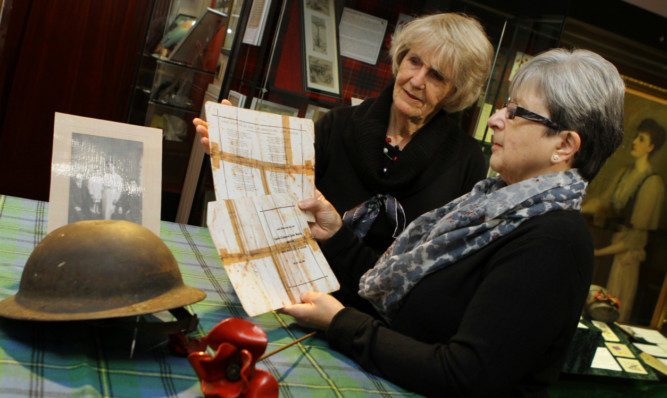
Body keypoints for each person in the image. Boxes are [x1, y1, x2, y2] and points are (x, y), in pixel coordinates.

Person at [280, 48, 625, 397]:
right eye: (505, 106)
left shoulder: (554, 241)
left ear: (564, 145)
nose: (495, 119)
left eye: (516, 112)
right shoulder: (490, 206)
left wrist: (342, 323)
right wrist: (337, 236)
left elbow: (465, 375)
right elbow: (401, 296)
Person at [194, 13, 493, 255]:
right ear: (401, 58)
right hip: (308, 284)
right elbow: (283, 194)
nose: (416, 80)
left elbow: (444, 259)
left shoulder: (466, 162)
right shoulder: (339, 123)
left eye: (436, 75)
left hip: (385, 317)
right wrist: (238, 156)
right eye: (414, 61)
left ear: (456, 90)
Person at [582, 118, 665, 322]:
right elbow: (603, 203)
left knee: (610, 311)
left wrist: (598, 252)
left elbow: (634, 239)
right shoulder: (624, 174)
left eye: (642, 139)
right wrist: (577, 208)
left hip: (622, 261)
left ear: (651, 147)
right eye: (636, 136)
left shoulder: (652, 183)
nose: (635, 141)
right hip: (606, 253)